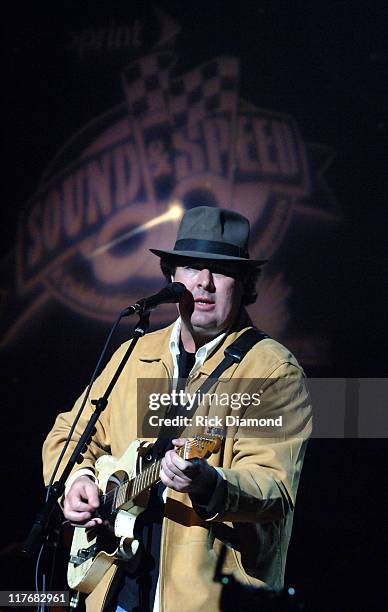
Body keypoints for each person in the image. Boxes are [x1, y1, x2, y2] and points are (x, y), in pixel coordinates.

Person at [42, 206, 312, 612]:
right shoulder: (135, 353)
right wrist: (77, 479)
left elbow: (273, 489)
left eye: (220, 271)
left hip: (208, 599)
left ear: (244, 284)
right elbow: (69, 434)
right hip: (115, 591)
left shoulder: (271, 369)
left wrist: (210, 483)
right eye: (191, 267)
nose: (203, 283)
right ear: (172, 276)